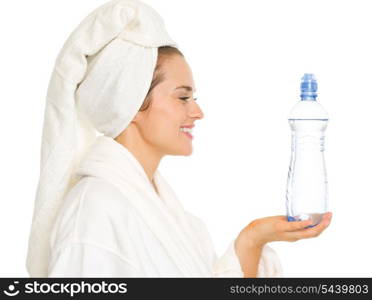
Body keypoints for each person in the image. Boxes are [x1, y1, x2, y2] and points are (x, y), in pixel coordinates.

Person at [25, 0, 332, 278]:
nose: (197, 112)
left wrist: (254, 237)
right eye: (183, 97)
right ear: (129, 103)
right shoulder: (95, 211)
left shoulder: (173, 218)